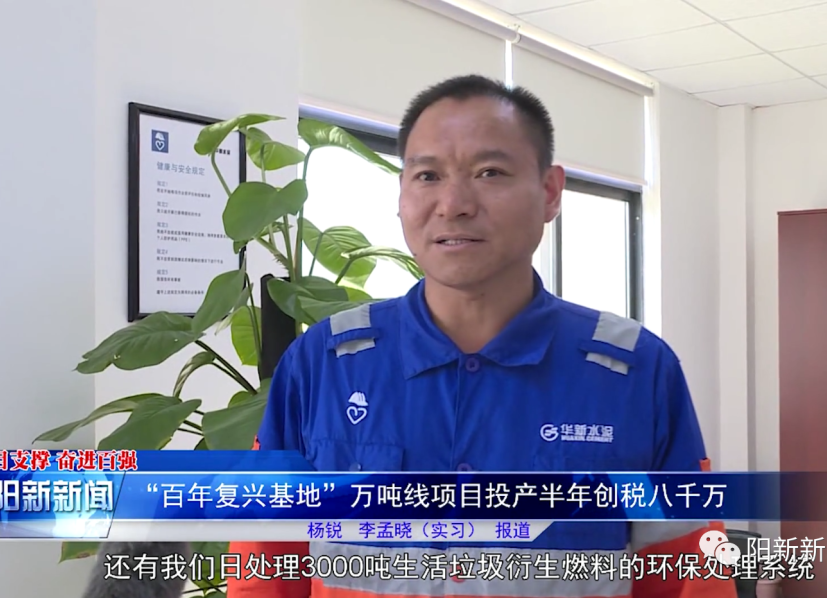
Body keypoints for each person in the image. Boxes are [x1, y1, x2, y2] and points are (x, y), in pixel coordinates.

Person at [227, 75, 735, 598]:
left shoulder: (635, 372)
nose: (453, 204)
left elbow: (689, 579)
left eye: (490, 172)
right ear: (401, 195)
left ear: (549, 192)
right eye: (427, 175)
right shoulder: (324, 364)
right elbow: (263, 572)